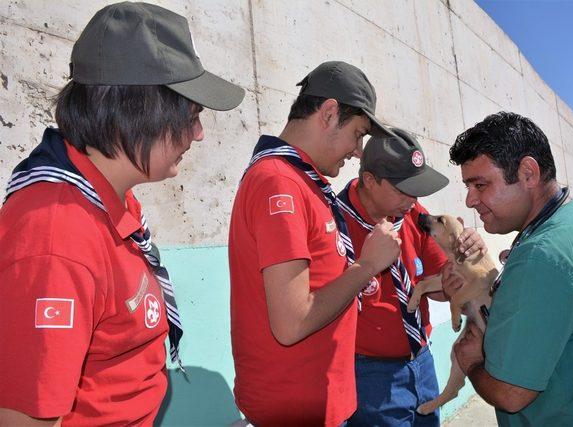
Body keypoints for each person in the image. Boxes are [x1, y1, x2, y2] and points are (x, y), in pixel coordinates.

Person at [0, 2, 244, 425]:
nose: (199, 134)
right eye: (190, 116)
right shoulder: (58, 237)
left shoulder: (109, 202)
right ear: (137, 109)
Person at [228, 61, 402, 426]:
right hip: (295, 408)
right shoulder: (280, 183)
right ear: (328, 113)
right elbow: (292, 323)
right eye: (357, 134)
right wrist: (367, 267)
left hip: (315, 402)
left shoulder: (301, 182)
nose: (357, 151)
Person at [449, 112, 573, 426]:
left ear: (527, 173)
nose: (470, 200)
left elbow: (511, 394)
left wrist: (472, 362)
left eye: (480, 185)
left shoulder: (541, 257)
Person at [337, 128, 485, 426]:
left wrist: (467, 256)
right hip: (370, 379)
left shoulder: (413, 212)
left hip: (422, 363)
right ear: (370, 180)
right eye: (404, 189)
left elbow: (443, 287)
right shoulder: (334, 223)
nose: (414, 199)